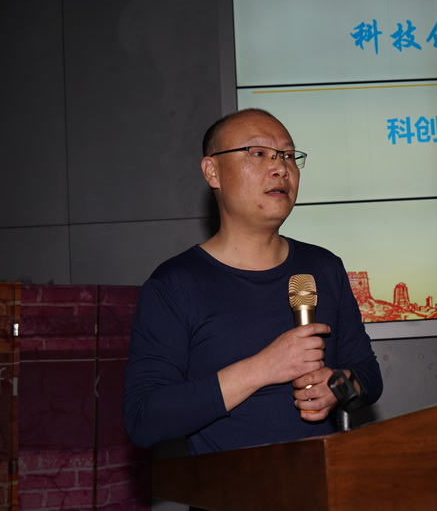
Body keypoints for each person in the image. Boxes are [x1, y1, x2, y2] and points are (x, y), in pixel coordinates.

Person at [123, 108, 382, 456]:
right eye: (259, 153)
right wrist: (263, 368)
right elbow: (144, 419)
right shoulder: (174, 284)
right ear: (212, 171)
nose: (281, 168)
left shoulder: (324, 267)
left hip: (323, 481)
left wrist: (337, 386)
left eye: (288, 155)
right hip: (229, 485)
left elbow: (368, 374)